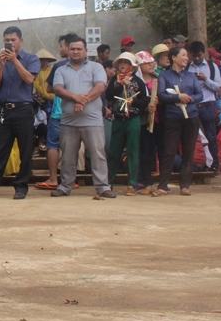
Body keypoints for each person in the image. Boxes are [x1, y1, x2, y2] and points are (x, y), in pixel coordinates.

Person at [52, 37, 115, 198]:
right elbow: (58, 89)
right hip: (68, 121)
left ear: (86, 51)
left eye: (79, 49)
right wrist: (75, 97)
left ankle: (102, 187)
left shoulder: (96, 67)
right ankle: (65, 186)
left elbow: (100, 87)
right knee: (67, 155)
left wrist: (83, 100)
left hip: (92, 120)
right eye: (72, 49)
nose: (75, 51)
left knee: (97, 154)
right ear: (68, 51)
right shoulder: (60, 69)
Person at [0, 26, 40, 200]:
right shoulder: (1, 61)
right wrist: (3, 65)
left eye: (13, 40)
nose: (9, 43)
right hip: (5, 110)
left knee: (26, 150)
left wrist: (15, 61)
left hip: (23, 109)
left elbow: (29, 79)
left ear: (20, 40)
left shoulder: (31, 59)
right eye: (6, 40)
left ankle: (21, 186)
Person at [155, 46, 205, 196]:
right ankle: (163, 185)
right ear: (173, 58)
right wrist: (177, 97)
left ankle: (185, 185)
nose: (186, 58)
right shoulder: (164, 76)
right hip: (172, 117)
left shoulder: (191, 76)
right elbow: (162, 95)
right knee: (169, 151)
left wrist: (188, 99)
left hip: (191, 117)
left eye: (186, 55)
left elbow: (200, 95)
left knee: (189, 151)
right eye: (182, 55)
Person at [105, 52, 148, 195]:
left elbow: (144, 101)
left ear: (132, 66)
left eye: (126, 62)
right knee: (114, 152)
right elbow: (108, 96)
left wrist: (134, 101)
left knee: (133, 151)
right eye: (121, 62)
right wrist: (119, 85)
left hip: (133, 119)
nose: (123, 65)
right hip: (118, 119)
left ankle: (132, 184)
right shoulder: (113, 80)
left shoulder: (138, 82)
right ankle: (108, 183)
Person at [35, 34, 74, 191]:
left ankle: (53, 178)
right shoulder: (86, 66)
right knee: (71, 146)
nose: (60, 49)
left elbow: (49, 88)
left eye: (61, 46)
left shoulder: (59, 67)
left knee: (53, 145)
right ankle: (69, 179)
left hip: (58, 111)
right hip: (74, 113)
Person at [187, 40, 221, 169]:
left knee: (211, 135)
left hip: (207, 105)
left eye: (199, 55)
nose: (197, 58)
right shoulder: (187, 68)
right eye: (194, 56)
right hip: (192, 106)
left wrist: (205, 79)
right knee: (192, 136)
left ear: (204, 53)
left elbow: (219, 87)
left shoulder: (212, 67)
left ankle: (214, 163)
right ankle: (196, 163)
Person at [134, 50, 161, 194]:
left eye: (151, 62)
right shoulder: (134, 80)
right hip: (141, 120)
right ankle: (140, 180)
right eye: (146, 63)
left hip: (157, 119)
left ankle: (150, 181)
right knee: (141, 151)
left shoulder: (158, 78)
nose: (150, 65)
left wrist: (159, 100)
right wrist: (145, 105)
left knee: (151, 152)